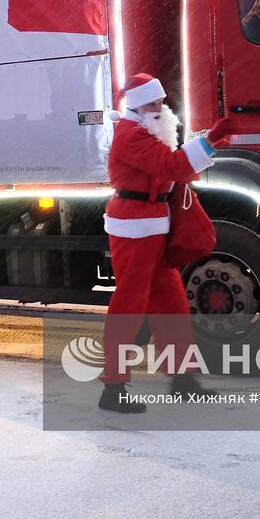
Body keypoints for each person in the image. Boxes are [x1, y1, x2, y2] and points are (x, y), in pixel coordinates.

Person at [97, 73, 231, 414]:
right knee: (130, 304)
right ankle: (113, 387)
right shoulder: (131, 135)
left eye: (161, 101)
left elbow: (170, 171)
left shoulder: (144, 131)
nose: (161, 107)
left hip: (150, 224)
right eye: (154, 103)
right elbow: (172, 167)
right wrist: (210, 141)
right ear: (138, 106)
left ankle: (182, 378)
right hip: (134, 226)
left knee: (171, 302)